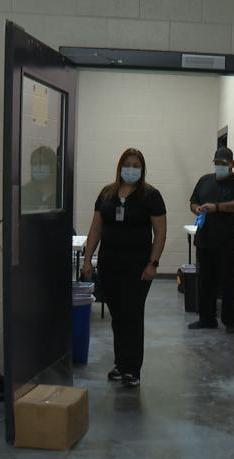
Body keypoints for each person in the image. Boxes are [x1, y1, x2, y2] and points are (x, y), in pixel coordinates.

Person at [82, 148, 167, 388]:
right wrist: (88, 259)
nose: (131, 169)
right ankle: (120, 364)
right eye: (127, 164)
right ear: (120, 166)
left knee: (132, 315)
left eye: (136, 165)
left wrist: (153, 263)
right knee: (117, 316)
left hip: (138, 267)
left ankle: (132, 369)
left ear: (142, 169)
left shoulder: (150, 196)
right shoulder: (107, 194)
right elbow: (96, 228)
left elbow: (160, 232)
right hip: (109, 265)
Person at [188, 147, 234, 333]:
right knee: (205, 281)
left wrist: (217, 207)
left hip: (226, 243)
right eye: (217, 164)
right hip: (205, 241)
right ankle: (206, 318)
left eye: (224, 164)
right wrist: (197, 209)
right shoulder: (204, 181)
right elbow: (193, 202)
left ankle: (230, 321)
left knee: (228, 282)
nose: (220, 167)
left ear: (232, 164)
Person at [21, 146, 58, 212]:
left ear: (52, 166)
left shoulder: (61, 193)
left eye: (43, 163)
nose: (38, 167)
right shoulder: (25, 192)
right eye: (35, 164)